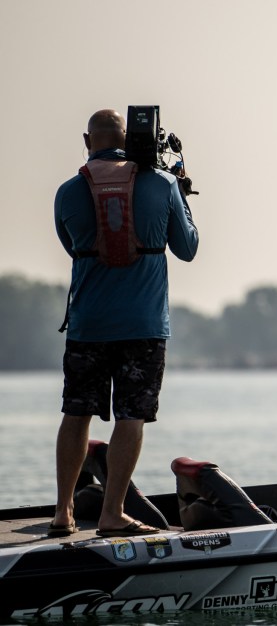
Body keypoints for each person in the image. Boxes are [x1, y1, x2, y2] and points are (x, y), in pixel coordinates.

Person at [51, 109, 199, 536]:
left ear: (87, 141)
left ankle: (62, 513)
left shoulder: (67, 192)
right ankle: (112, 513)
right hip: (144, 325)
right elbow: (187, 248)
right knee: (130, 417)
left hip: (88, 325)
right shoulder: (162, 183)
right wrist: (181, 196)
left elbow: (71, 245)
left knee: (76, 413)